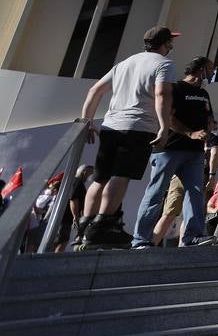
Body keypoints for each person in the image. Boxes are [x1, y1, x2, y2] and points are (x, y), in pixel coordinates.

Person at [75, 25, 179, 248]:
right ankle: (103, 226)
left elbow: (94, 91)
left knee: (100, 177)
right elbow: (162, 94)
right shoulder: (165, 64)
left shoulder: (124, 63)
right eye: (170, 41)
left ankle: (84, 227)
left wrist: (86, 122)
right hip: (139, 127)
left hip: (111, 126)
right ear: (165, 44)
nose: (172, 45)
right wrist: (164, 126)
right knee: (121, 175)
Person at [131, 56, 216, 249]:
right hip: (169, 149)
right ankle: (140, 240)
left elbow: (209, 115)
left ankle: (192, 237)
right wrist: (190, 133)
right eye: (210, 70)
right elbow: (168, 117)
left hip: (194, 153)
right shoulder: (176, 88)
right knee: (156, 193)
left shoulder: (204, 93)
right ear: (200, 69)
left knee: (195, 193)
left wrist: (209, 125)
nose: (212, 74)